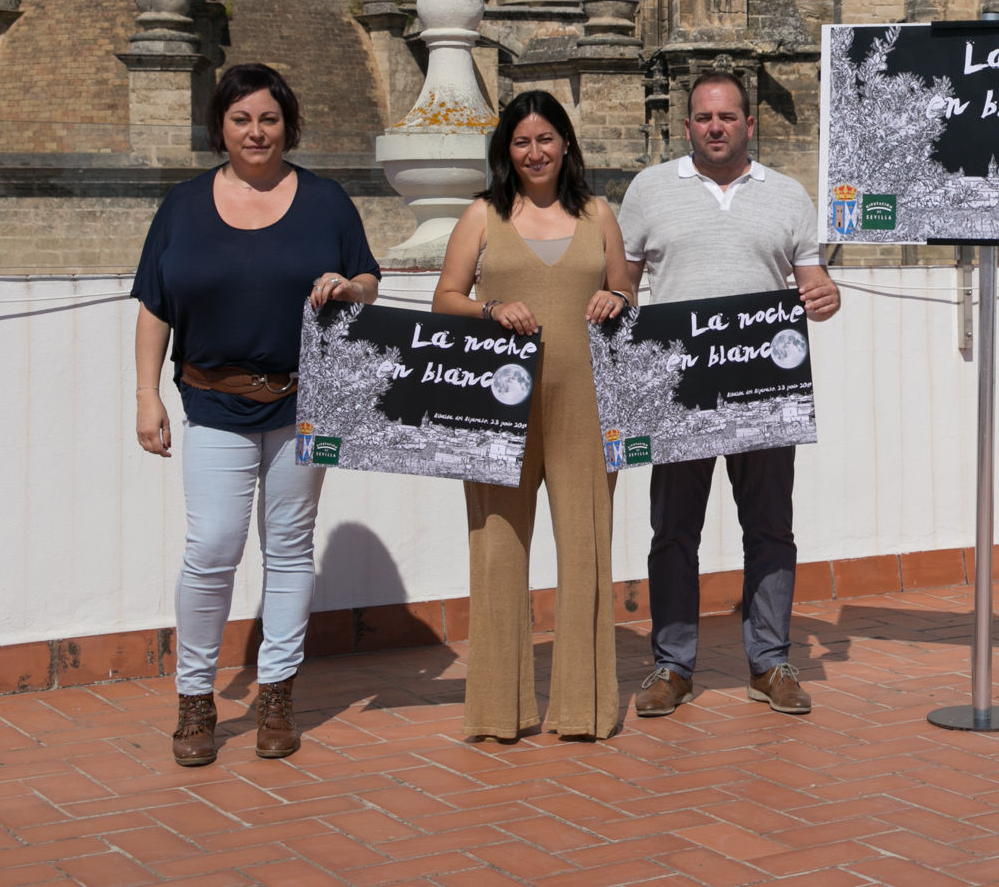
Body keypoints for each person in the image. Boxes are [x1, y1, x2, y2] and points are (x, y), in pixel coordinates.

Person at [132, 63, 381, 767]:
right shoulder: (183, 205)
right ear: (221, 126)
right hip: (212, 398)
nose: (256, 132)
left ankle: (276, 694)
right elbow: (154, 304)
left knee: (290, 547)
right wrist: (146, 394)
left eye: (268, 118)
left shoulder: (326, 201)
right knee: (212, 547)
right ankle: (195, 698)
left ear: (286, 124)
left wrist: (349, 286)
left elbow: (368, 277)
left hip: (306, 400)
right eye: (241, 119)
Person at [619, 72, 841, 719]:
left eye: (726, 116)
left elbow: (811, 280)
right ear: (687, 124)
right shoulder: (649, 190)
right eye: (703, 117)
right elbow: (623, 282)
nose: (714, 126)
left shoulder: (788, 195)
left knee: (770, 530)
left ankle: (770, 663)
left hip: (763, 391)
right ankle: (672, 666)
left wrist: (826, 295)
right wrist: (616, 317)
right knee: (673, 533)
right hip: (677, 391)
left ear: (748, 123)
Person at [432, 90, 633, 742]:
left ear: (565, 143)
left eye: (546, 138)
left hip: (588, 404)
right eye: (522, 141)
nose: (535, 151)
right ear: (506, 150)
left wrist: (616, 296)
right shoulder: (483, 215)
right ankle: (498, 708)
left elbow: (627, 290)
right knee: (497, 550)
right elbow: (445, 298)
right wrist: (490, 309)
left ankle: (584, 707)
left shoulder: (599, 214)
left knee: (586, 550)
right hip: (499, 408)